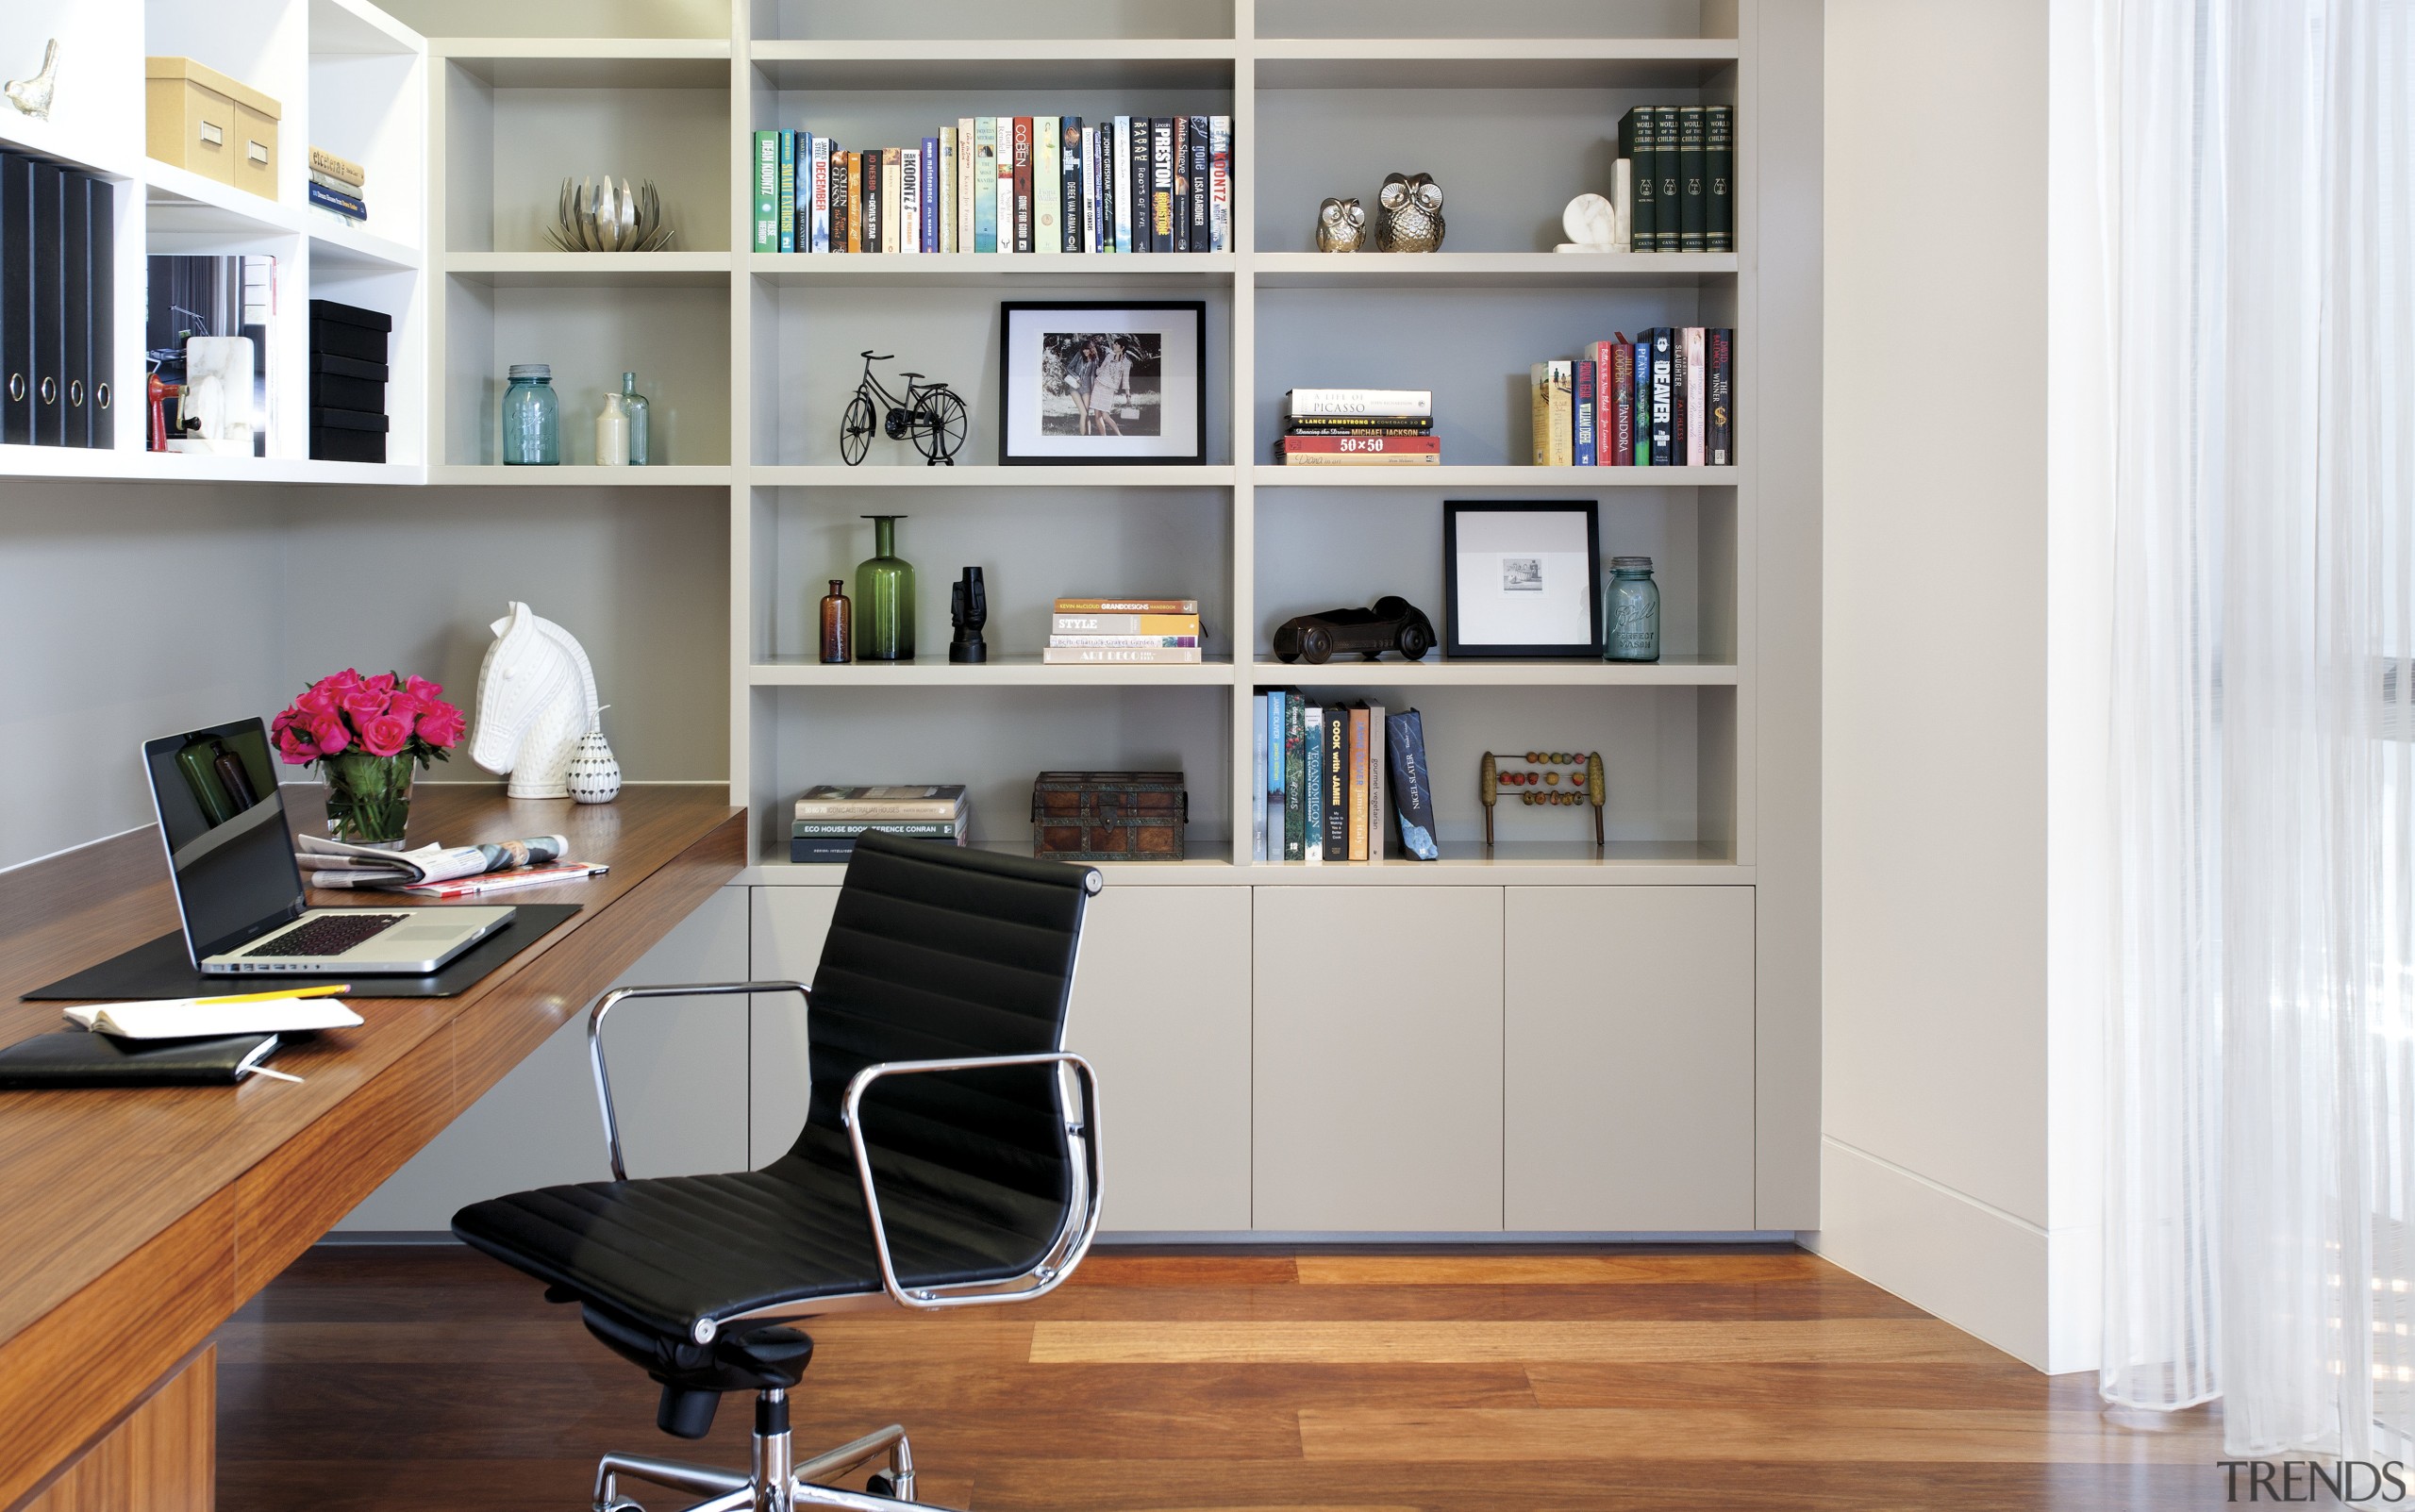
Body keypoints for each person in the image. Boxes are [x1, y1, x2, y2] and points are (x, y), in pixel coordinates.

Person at [1089, 338, 1133, 437]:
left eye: (1116, 344)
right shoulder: (1109, 356)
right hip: (1099, 385)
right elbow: (1099, 370)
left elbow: (1125, 380)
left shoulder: (1126, 363)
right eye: (1114, 344)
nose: (1114, 345)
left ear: (1122, 347)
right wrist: (1097, 370)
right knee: (1097, 415)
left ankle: (1120, 435)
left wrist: (1128, 397)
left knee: (1105, 416)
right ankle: (1103, 438)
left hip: (1109, 390)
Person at [1064, 339, 1100, 434]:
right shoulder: (1079, 356)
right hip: (1075, 388)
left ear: (1092, 349)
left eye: (1087, 349)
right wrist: (1077, 377)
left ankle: (1088, 437)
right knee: (1083, 413)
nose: (1085, 351)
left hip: (1087, 388)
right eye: (1084, 349)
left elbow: (1094, 374)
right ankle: (1083, 437)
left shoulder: (1095, 359)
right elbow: (1069, 368)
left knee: (1086, 414)